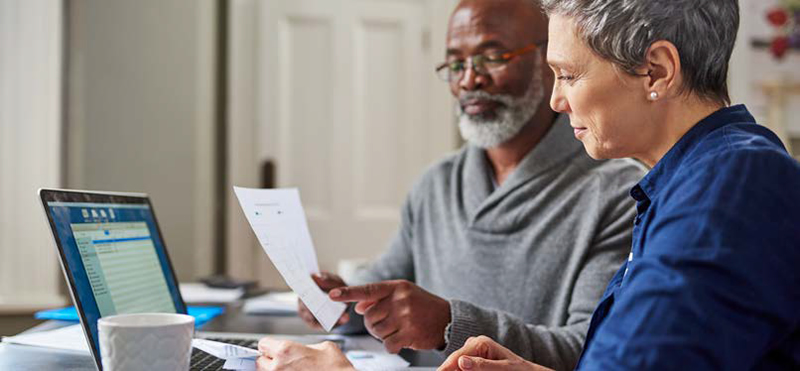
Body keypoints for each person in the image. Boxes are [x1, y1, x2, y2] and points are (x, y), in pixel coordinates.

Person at [255, 0, 800, 369]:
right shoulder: (688, 183)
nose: (557, 99)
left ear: (656, 71)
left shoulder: (728, 187)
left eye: (567, 74)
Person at [294, 0, 644, 369]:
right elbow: (382, 287)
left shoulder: (618, 192)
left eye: (492, 57)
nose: (469, 80)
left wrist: (449, 324)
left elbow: (592, 347)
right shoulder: (436, 185)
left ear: (550, 61)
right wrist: (342, 302)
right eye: (456, 64)